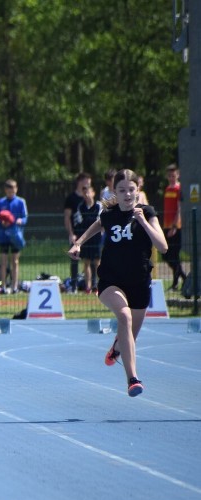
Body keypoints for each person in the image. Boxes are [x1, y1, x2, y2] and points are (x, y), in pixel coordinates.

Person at [68, 168, 167, 398]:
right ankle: (133, 379)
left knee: (130, 333)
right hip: (111, 281)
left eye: (131, 190)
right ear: (115, 191)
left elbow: (162, 247)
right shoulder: (110, 214)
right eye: (121, 190)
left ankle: (116, 348)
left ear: (138, 190)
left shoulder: (147, 213)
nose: (127, 195)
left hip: (140, 282)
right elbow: (97, 224)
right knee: (124, 316)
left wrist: (143, 222)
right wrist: (79, 243)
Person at [0, 179, 28, 293]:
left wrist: (19, 221)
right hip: (3, 236)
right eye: (9, 190)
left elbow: (25, 218)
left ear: (16, 189)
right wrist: (2, 222)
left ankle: (15, 286)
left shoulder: (20, 202)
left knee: (15, 261)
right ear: (5, 190)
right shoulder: (0, 202)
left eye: (13, 189)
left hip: (16, 237)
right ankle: (3, 287)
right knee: (3, 262)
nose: (11, 192)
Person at [72, 182, 103, 292]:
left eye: (88, 192)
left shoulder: (99, 206)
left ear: (93, 193)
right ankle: (88, 287)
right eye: (85, 193)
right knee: (86, 262)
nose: (87, 195)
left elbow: (100, 221)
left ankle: (99, 285)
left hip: (96, 238)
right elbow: (78, 222)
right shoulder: (80, 207)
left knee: (97, 262)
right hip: (85, 237)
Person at [64, 172, 91, 292]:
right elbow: (67, 217)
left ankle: (89, 286)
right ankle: (74, 285)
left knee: (89, 261)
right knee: (74, 260)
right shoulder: (71, 198)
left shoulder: (89, 197)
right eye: (86, 182)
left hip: (89, 233)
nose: (88, 185)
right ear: (79, 182)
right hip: (76, 233)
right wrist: (71, 233)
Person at [162, 164, 186, 290]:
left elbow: (179, 209)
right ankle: (183, 277)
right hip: (166, 225)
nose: (171, 178)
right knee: (166, 255)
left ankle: (176, 283)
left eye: (174, 175)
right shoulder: (167, 189)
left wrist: (175, 227)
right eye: (169, 175)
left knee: (174, 255)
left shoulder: (179, 188)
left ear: (178, 175)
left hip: (175, 227)